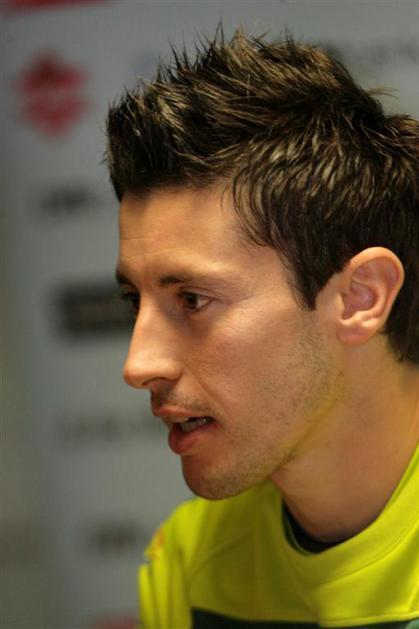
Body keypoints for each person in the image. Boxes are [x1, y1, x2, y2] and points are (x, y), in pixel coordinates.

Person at [106, 27, 419, 629]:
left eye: (192, 299)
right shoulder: (190, 559)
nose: (138, 365)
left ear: (360, 297)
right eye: (132, 299)